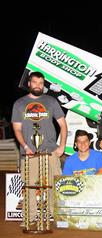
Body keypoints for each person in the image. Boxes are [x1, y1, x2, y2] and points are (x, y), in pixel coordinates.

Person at [11, 71, 67, 227]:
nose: (38, 85)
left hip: (50, 150)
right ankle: (30, 217)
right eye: (35, 82)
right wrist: (25, 146)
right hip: (29, 153)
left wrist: (61, 146)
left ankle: (55, 215)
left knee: (53, 184)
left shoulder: (51, 101)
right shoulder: (19, 103)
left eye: (41, 83)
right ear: (29, 83)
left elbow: (63, 125)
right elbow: (16, 129)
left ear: (44, 85)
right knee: (29, 186)